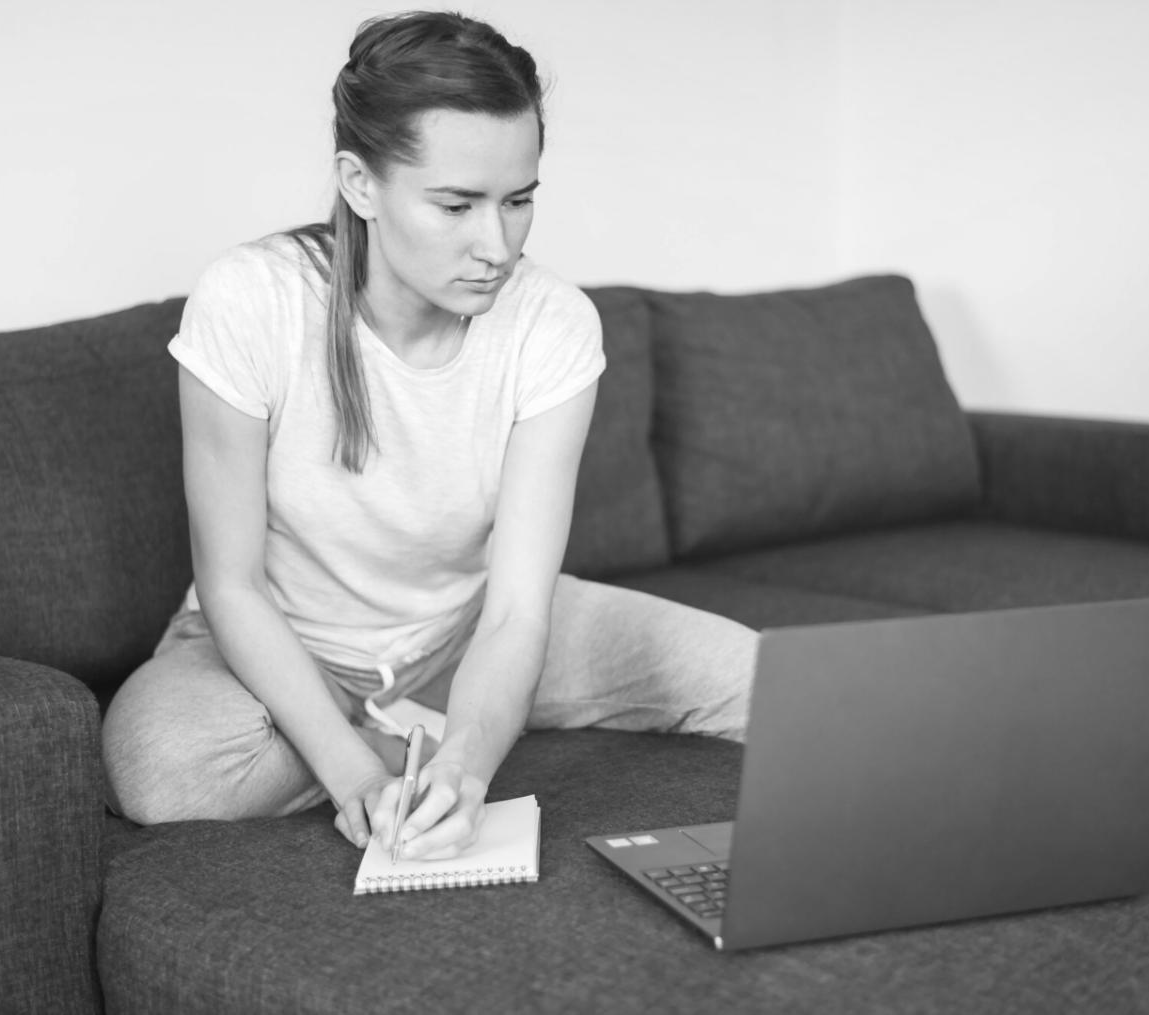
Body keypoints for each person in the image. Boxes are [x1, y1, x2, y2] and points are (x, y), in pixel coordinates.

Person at [102, 10, 756, 862]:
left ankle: (435, 732)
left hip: (470, 630)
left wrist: (469, 771)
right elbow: (231, 588)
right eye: (456, 204)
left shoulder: (552, 325)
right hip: (275, 646)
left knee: (771, 685)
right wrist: (354, 778)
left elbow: (521, 608)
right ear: (360, 183)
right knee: (164, 767)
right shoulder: (250, 301)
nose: (497, 246)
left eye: (518, 202)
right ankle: (390, 740)